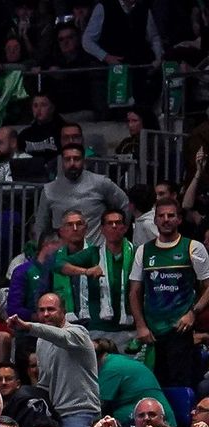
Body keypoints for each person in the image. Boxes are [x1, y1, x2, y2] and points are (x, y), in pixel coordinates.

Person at [129, 200, 209, 389]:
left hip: (180, 330)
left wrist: (192, 313)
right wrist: (140, 326)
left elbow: (207, 286)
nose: (166, 220)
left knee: (180, 387)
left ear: (179, 219)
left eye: (171, 215)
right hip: (151, 332)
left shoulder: (193, 247)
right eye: (161, 216)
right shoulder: (144, 250)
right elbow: (134, 292)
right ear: (155, 220)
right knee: (154, 384)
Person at [9, 293, 100, 427]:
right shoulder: (42, 341)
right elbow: (44, 384)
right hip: (54, 415)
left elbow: (61, 336)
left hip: (79, 414)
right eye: (41, 310)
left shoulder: (78, 333)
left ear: (63, 311)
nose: (45, 314)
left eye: (51, 309)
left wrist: (29, 327)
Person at [57, 208, 134, 345]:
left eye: (118, 223)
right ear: (102, 229)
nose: (114, 226)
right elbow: (58, 264)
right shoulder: (93, 253)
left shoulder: (136, 253)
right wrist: (85, 271)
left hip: (129, 327)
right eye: (109, 223)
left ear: (125, 228)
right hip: (98, 328)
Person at [35, 145, 128, 240]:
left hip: (96, 250)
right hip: (63, 251)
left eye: (76, 159)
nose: (72, 163)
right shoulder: (49, 190)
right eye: (67, 159)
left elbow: (125, 204)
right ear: (62, 161)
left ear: (83, 161)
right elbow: (41, 225)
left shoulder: (101, 183)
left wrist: (119, 235)